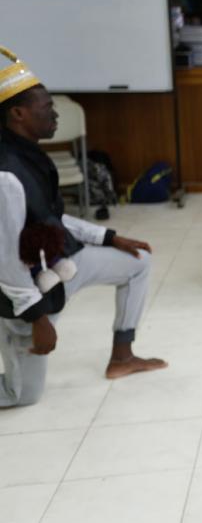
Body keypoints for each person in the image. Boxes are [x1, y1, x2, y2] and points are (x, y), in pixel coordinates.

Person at [0, 52, 166, 407]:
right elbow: (6, 262)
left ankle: (122, 357)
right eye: (46, 107)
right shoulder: (6, 174)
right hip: (25, 292)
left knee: (136, 262)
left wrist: (108, 237)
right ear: (18, 114)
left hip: (59, 267)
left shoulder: (32, 155)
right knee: (23, 394)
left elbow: (50, 218)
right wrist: (37, 317)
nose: (55, 113)